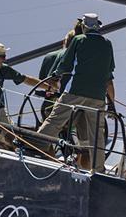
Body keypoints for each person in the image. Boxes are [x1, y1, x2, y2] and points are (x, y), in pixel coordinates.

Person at [37, 13, 115, 172]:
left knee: (55, 120)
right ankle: (98, 169)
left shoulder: (79, 40)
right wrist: (111, 104)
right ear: (98, 26)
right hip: (98, 97)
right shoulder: (107, 44)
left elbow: (66, 63)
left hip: (75, 91)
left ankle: (35, 146)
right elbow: (108, 75)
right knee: (97, 135)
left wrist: (55, 77)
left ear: (84, 27)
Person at [38, 29, 77, 119]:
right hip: (72, 105)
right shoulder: (77, 56)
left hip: (49, 105)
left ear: (64, 41)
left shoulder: (49, 56)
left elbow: (42, 81)